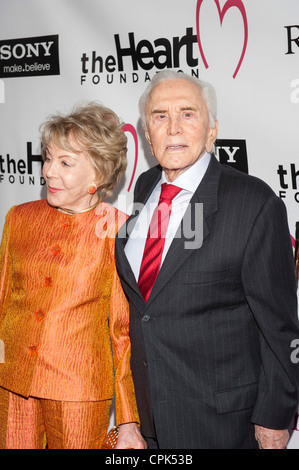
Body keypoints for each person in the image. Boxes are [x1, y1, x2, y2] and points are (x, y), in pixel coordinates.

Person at [115, 70, 299, 449]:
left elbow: (280, 327)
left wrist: (275, 417)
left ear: (212, 129)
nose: (173, 128)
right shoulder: (145, 186)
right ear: (147, 135)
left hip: (222, 424)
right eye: (160, 116)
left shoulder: (253, 203)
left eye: (188, 113)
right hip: (151, 419)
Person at [0, 102, 146, 449]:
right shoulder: (19, 217)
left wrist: (128, 420)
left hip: (79, 389)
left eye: (65, 163)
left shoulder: (117, 229)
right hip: (12, 382)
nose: (49, 171)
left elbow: (122, 332)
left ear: (98, 174)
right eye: (48, 158)